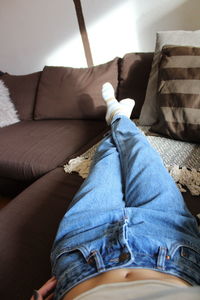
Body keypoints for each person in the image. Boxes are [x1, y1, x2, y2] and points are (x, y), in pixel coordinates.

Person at [31, 83, 200, 300]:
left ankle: (117, 115)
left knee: (107, 157)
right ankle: (119, 117)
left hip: (83, 246)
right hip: (171, 239)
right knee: (142, 153)